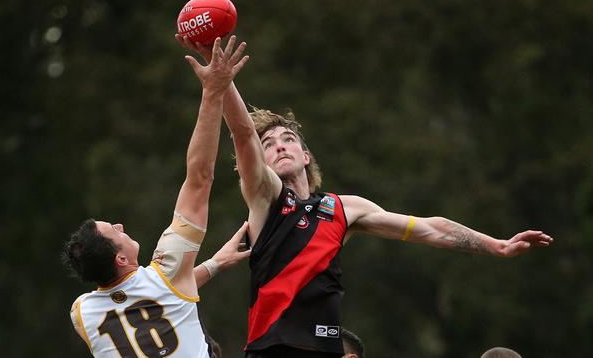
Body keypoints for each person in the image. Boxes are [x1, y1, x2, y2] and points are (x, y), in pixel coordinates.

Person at [176, 37, 554, 358]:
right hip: (273, 347)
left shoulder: (345, 208)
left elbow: (428, 229)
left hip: (326, 347)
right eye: (269, 145)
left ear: (306, 155)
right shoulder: (265, 197)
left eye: (288, 139)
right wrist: (222, 83)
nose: (279, 147)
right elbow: (243, 134)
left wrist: (497, 246)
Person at [62, 37, 250, 358]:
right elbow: (199, 179)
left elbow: (158, 300)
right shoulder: (167, 274)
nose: (120, 225)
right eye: (114, 231)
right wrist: (213, 91)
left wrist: (215, 264)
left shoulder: (82, 313)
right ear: (120, 259)